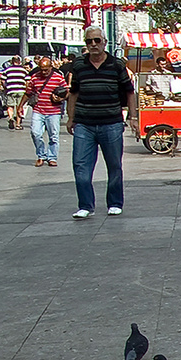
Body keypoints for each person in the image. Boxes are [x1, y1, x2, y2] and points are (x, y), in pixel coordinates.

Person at [66, 27, 133, 218]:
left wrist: (133, 117)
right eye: (89, 41)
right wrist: (71, 118)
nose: (93, 44)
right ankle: (86, 205)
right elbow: (74, 93)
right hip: (84, 123)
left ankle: (114, 203)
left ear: (104, 41)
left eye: (97, 40)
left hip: (111, 122)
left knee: (114, 165)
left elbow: (129, 91)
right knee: (80, 166)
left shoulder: (116, 65)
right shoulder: (79, 65)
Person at [20, 56, 68, 167]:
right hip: (38, 110)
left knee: (53, 136)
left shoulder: (58, 78)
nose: (44, 72)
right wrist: (20, 107)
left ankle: (52, 157)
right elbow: (28, 93)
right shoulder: (35, 78)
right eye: (41, 69)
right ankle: (41, 155)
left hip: (54, 111)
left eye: (46, 69)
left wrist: (61, 98)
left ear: (51, 67)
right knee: (35, 133)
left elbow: (67, 92)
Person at [1, 55, 29, 129]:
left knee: (10, 106)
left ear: (12, 62)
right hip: (21, 90)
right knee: (19, 107)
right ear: (19, 62)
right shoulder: (23, 70)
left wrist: (5, 87)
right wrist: (26, 89)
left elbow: (2, 79)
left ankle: (10, 118)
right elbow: (27, 80)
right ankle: (18, 124)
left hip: (11, 90)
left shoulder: (8, 70)